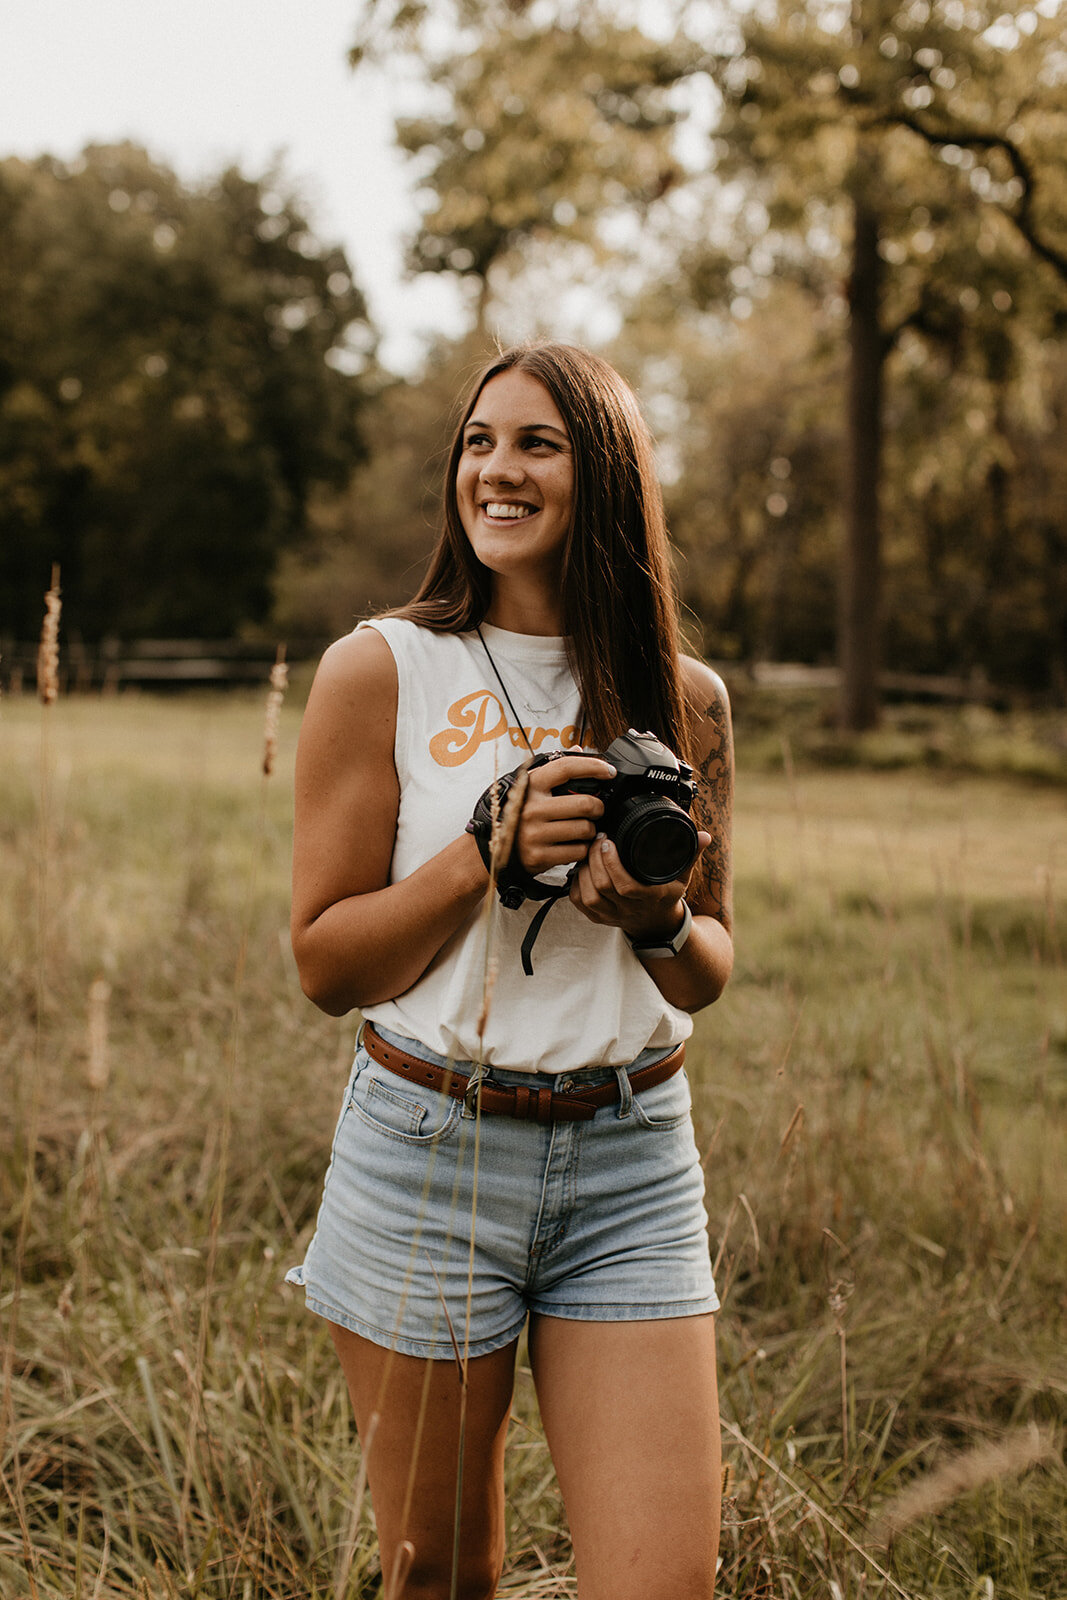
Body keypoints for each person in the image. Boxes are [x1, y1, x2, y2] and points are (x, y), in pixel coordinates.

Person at [286, 341, 734, 1600]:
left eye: (536, 443)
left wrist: (652, 915)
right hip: (429, 1146)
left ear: (600, 476)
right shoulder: (378, 668)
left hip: (631, 1157)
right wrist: (478, 853)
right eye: (479, 442)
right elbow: (324, 962)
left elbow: (704, 966)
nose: (498, 468)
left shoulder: (681, 697)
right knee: (437, 1581)